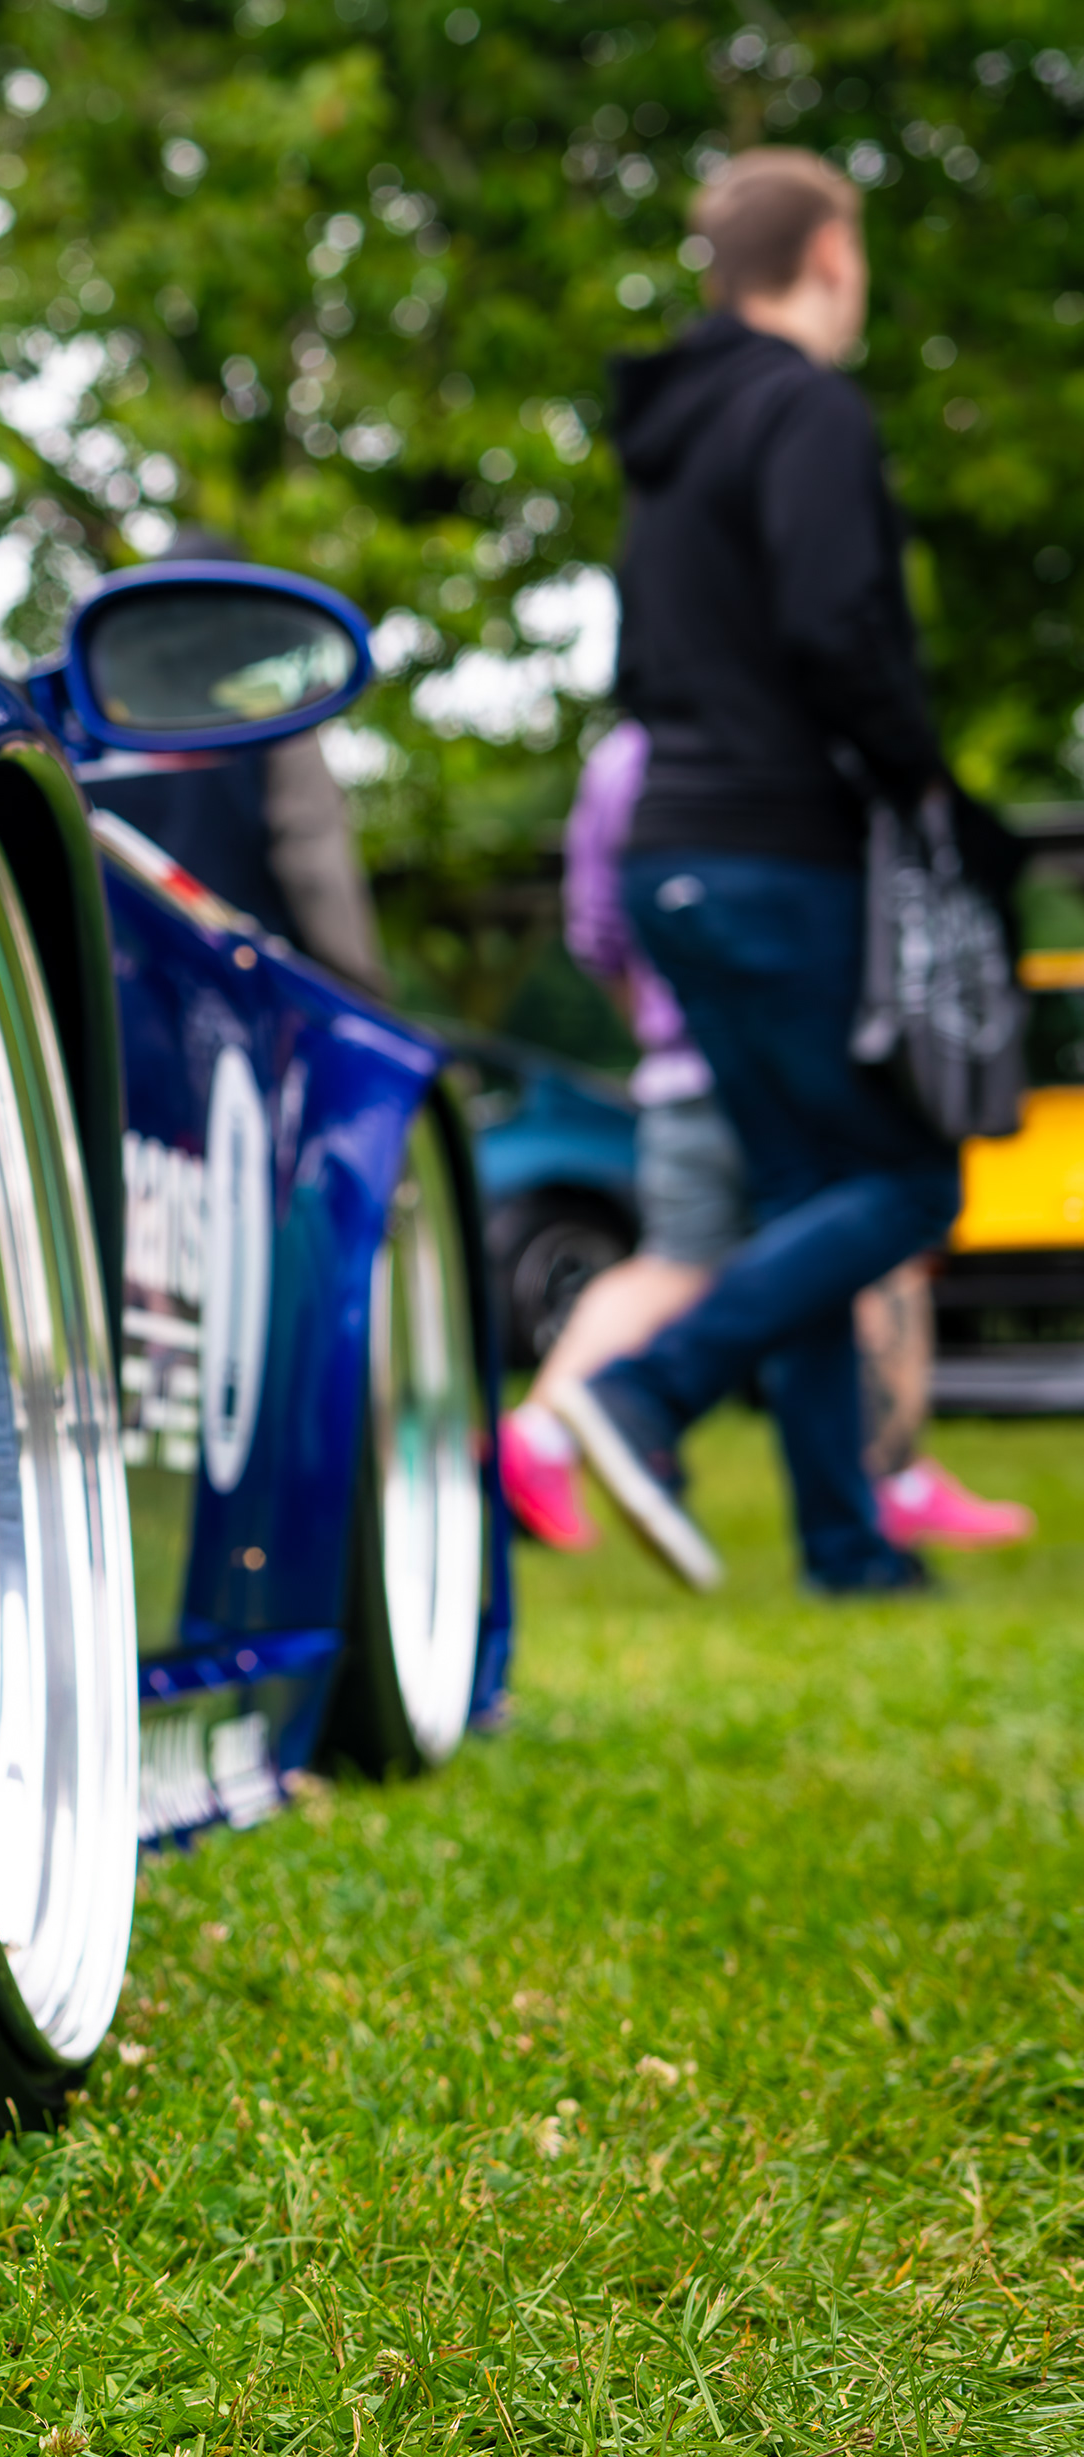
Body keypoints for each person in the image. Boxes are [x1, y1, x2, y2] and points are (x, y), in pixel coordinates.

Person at [547, 150, 974, 1594]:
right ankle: (646, 1390)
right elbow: (838, 624)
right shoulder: (805, 409)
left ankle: (847, 1548)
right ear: (831, 257)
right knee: (908, 1185)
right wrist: (925, 783)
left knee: (804, 1198)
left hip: (674, 854)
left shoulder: (673, 441)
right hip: (775, 846)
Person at [499, 722, 1032, 1553]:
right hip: (795, 1054)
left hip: (680, 1064)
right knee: (869, 1230)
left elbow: (598, 929)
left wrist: (656, 1025)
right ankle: (887, 1474)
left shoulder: (622, 757)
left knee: (682, 1260)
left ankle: (541, 1434)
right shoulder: (785, 735)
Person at [79, 528, 391, 992]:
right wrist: (358, 986)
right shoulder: (277, 733)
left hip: (114, 990)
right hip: (252, 998)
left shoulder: (85, 740)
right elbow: (315, 868)